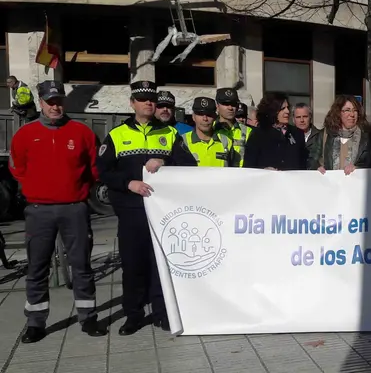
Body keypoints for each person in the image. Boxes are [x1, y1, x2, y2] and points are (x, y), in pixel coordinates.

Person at [96, 81, 197, 335]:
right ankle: (133, 315)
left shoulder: (170, 134)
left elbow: (189, 165)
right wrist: (127, 183)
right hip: (131, 212)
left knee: (159, 263)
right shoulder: (117, 135)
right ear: (132, 103)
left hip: (162, 212)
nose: (149, 103)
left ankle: (162, 314)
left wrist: (164, 160)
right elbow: (104, 171)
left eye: (152, 99)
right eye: (142, 99)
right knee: (132, 264)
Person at [9, 80, 106, 343]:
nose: (55, 106)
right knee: (37, 267)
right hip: (39, 210)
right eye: (49, 101)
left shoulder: (82, 133)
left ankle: (88, 318)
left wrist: (78, 192)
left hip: (74, 209)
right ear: (40, 102)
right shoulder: (25, 135)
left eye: (58, 101)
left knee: (82, 266)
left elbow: (93, 169)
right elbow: (17, 167)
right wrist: (35, 188)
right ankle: (35, 323)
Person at [243, 92, 307, 170]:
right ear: (272, 110)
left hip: (292, 181)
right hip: (267, 181)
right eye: (282, 109)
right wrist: (263, 170)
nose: (287, 111)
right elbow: (249, 166)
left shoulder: (297, 133)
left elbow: (304, 164)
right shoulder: (258, 134)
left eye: (287, 108)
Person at [311, 95, 371, 175]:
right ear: (338, 113)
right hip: (329, 185)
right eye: (347, 110)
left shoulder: (367, 137)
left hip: (356, 184)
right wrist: (316, 167)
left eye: (355, 110)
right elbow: (312, 160)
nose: (352, 114)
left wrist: (357, 168)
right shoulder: (324, 135)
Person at [183, 97, 233, 167]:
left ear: (215, 117)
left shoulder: (227, 142)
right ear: (193, 117)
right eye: (200, 114)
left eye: (209, 115)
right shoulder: (183, 142)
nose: (205, 119)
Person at [213, 88, 252, 167]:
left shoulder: (248, 131)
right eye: (226, 104)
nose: (230, 108)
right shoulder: (210, 129)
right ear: (217, 106)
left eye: (233, 104)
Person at [293, 103, 320, 169]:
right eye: (298, 117)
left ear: (310, 117)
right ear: (293, 119)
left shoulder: (320, 136)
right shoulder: (287, 137)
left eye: (305, 116)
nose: (302, 120)